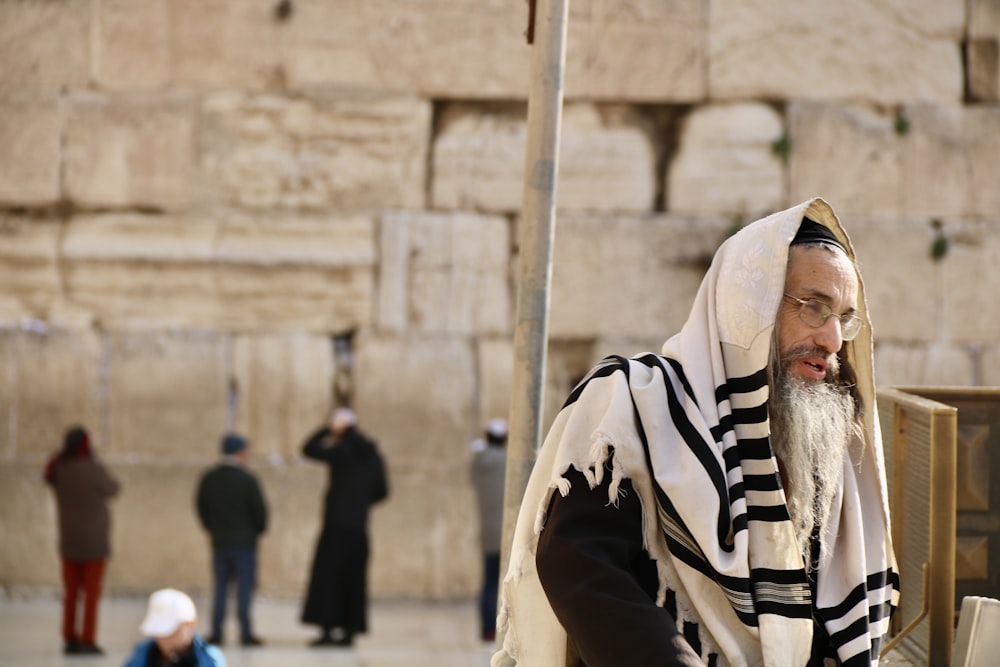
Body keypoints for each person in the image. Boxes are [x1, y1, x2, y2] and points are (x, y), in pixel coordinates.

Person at [494, 198, 900, 666]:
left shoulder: (829, 450)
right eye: (813, 308)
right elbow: (580, 566)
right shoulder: (634, 403)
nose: (832, 341)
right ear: (749, 308)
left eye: (845, 318)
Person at [300, 407, 389, 647]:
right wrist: (360, 504)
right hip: (358, 526)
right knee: (353, 579)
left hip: (336, 524)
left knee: (329, 578)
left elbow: (308, 449)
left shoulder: (341, 450)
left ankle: (328, 630)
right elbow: (382, 491)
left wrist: (327, 430)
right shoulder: (372, 453)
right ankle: (349, 632)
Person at [44, 425, 120, 656]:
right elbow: (113, 488)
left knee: (71, 593)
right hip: (94, 544)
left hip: (69, 542)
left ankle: (69, 637)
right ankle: (87, 639)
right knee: (91, 594)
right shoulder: (92, 468)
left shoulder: (59, 468)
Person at [195, 433, 268, 647]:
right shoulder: (247, 479)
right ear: (240, 452)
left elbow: (201, 507)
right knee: (244, 589)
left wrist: (212, 528)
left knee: (220, 589)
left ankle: (217, 633)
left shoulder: (210, 478)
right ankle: (246, 633)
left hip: (220, 542)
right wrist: (255, 531)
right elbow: (260, 513)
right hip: (244, 544)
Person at [469, 417, 508, 642]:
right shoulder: (506, 461)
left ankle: (487, 629)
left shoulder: (479, 463)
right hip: (506, 531)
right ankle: (502, 629)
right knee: (502, 582)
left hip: (487, 532)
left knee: (489, 582)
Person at [123, 588, 226, 667]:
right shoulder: (143, 653)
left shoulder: (209, 659)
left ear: (191, 625)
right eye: (158, 632)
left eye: (170, 633)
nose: (163, 640)